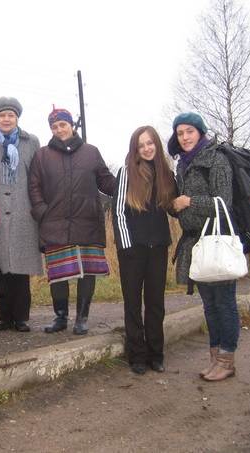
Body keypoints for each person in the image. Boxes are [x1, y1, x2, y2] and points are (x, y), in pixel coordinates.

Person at [29, 107, 115, 335]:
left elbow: (105, 181)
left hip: (87, 220)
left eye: (63, 125)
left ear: (71, 125)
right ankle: (60, 318)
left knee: (87, 271)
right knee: (58, 273)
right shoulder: (42, 155)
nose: (59, 130)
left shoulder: (91, 152)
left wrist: (128, 183)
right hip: (54, 222)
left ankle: (82, 319)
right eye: (54, 127)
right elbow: (34, 186)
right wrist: (41, 211)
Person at [169, 112, 238, 382]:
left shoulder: (216, 159)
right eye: (180, 133)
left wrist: (188, 201)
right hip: (196, 241)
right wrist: (176, 207)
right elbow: (182, 205)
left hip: (217, 239)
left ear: (200, 132)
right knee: (209, 304)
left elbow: (224, 203)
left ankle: (227, 359)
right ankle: (215, 359)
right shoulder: (182, 164)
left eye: (189, 132)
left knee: (225, 303)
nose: (184, 137)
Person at [0, 97, 43, 332]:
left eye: (10, 115)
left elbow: (37, 176)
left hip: (24, 211)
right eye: (2, 115)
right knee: (0, 266)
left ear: (17, 118)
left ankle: (21, 318)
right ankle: (4, 318)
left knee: (20, 269)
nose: (6, 119)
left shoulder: (31, 142)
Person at [112, 126, 177, 375]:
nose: (147, 148)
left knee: (155, 303)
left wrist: (181, 203)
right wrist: (126, 245)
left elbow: (172, 208)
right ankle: (137, 355)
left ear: (156, 145)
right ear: (135, 149)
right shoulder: (126, 173)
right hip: (132, 250)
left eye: (151, 143)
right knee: (132, 303)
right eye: (142, 145)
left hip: (158, 247)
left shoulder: (167, 174)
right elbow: (118, 213)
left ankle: (156, 354)